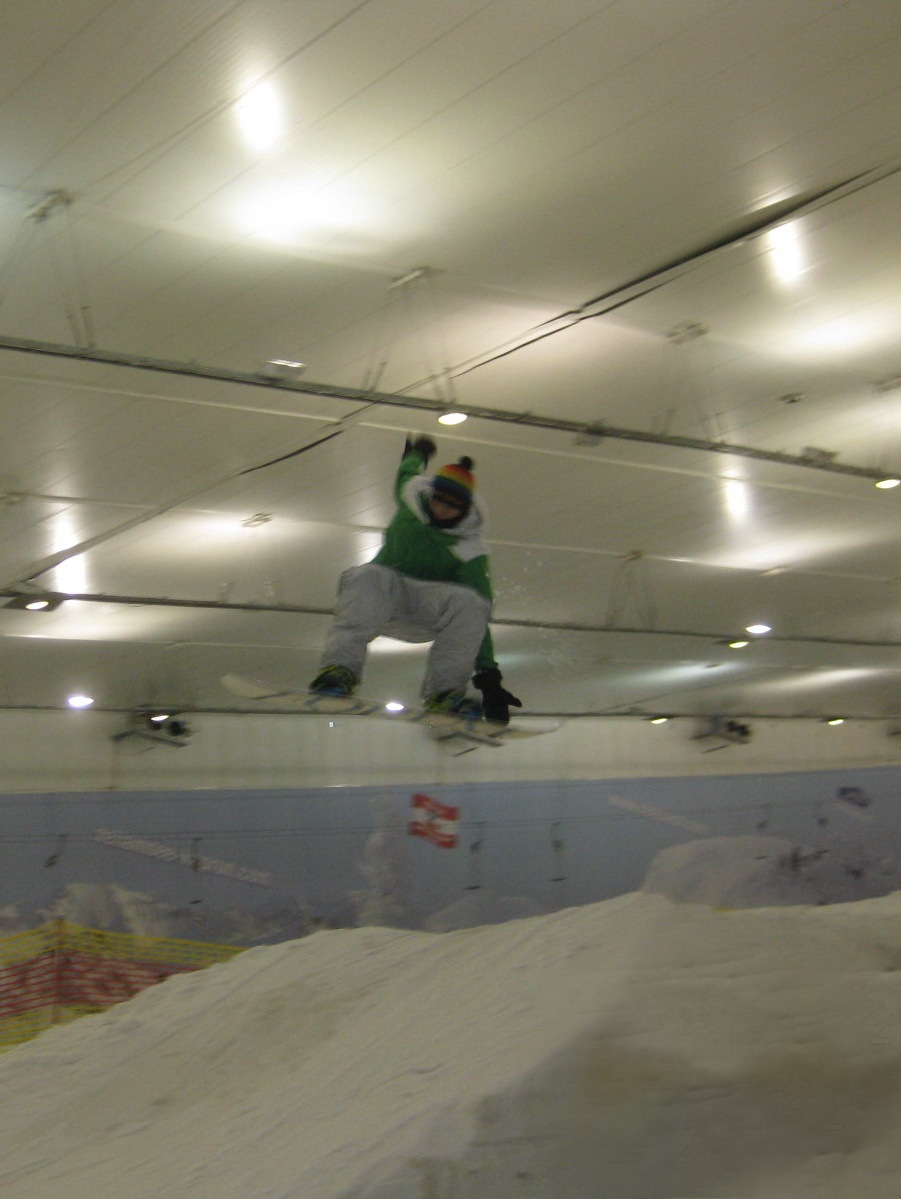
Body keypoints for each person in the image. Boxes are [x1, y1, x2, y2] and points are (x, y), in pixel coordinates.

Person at [309, 435, 522, 723]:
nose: (442, 510)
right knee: (367, 574)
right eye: (439, 500)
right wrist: (418, 452)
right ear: (431, 494)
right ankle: (339, 671)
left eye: (452, 506)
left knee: (471, 601)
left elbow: (477, 618)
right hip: (380, 600)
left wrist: (489, 679)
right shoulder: (411, 500)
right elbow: (407, 472)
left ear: (465, 509)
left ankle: (445, 693)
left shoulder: (469, 550)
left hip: (427, 612)